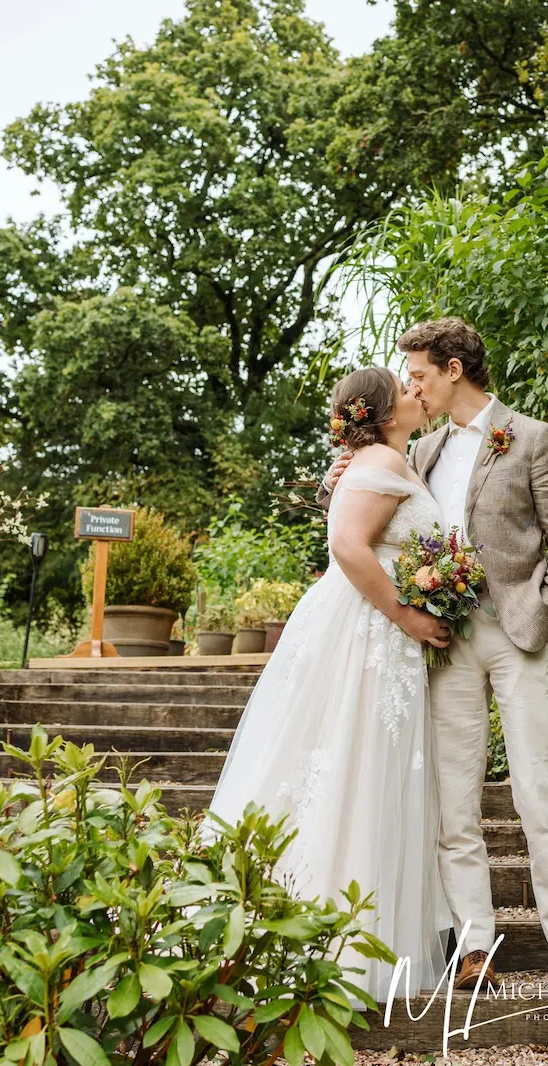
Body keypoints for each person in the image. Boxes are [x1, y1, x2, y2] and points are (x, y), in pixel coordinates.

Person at [320, 317, 548, 993]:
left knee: (540, 787)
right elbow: (372, 522)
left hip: (516, 637)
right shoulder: (421, 452)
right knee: (454, 802)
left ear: (452, 369)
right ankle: (476, 948)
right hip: (443, 645)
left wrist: (542, 610)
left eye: (417, 373)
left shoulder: (533, 438)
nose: (410, 386)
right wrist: (338, 480)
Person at [204, 366, 453, 1003]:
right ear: (383, 414)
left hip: (376, 629)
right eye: (404, 389)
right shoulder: (379, 459)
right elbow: (347, 543)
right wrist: (405, 613)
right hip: (369, 630)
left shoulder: (392, 457)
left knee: (366, 766)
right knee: (353, 764)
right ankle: (332, 944)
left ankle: (346, 934)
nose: (414, 393)